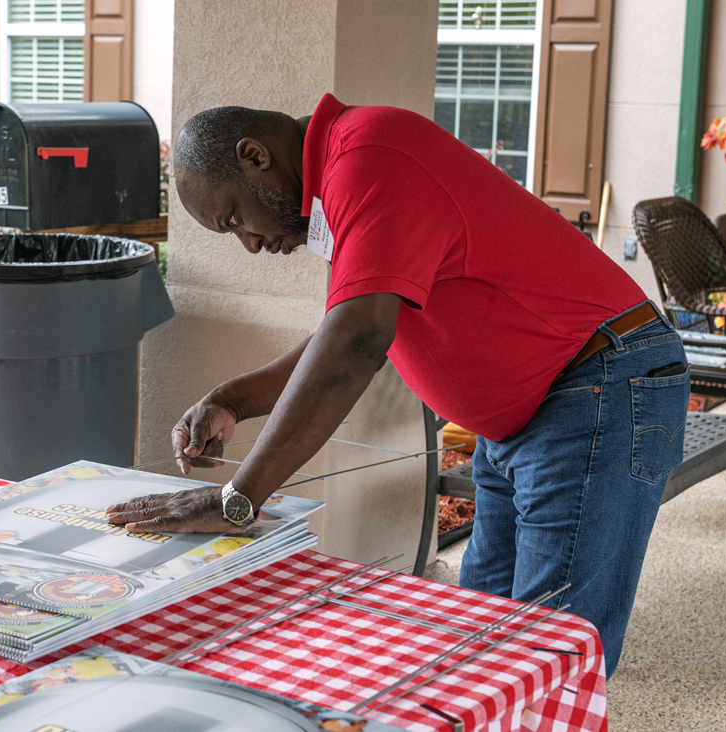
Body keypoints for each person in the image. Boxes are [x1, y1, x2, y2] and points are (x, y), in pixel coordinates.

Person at [105, 93, 689, 677]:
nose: (251, 244)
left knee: (544, 662)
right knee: (481, 642)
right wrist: (233, 399)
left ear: (254, 156)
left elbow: (357, 343)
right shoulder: (349, 169)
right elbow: (343, 334)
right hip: (535, 414)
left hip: (597, 387)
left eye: (234, 219)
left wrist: (239, 499)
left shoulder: (370, 155)